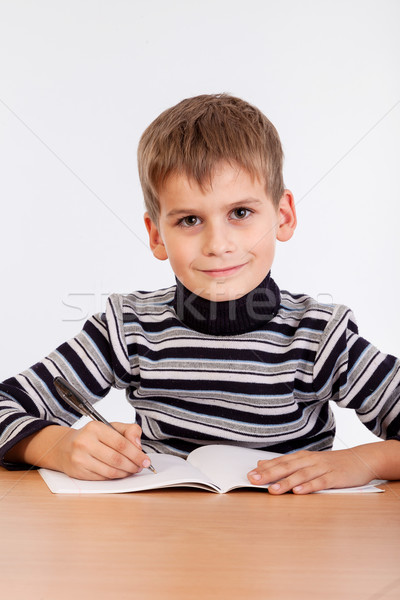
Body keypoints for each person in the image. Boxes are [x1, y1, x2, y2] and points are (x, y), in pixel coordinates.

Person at [1, 93, 399, 494]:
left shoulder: (319, 338)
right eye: (190, 220)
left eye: (240, 213)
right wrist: (57, 445)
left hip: (290, 545)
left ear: (283, 215)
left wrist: (362, 461)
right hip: (164, 541)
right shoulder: (127, 329)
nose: (218, 244)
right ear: (157, 235)